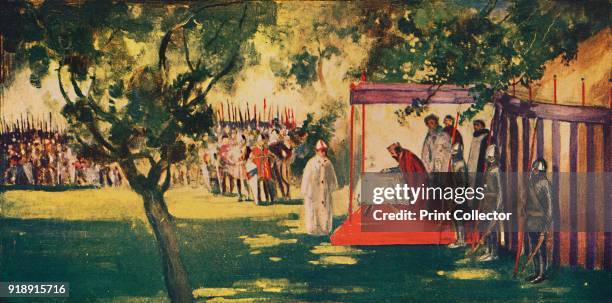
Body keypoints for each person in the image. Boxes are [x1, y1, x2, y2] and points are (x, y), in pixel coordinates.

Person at [301, 140, 338, 235]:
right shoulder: (311, 163)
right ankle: (312, 229)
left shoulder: (328, 163)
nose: (323, 153)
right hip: (313, 190)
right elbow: (306, 177)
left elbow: (331, 176)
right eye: (321, 151)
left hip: (324, 190)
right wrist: (305, 189)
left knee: (325, 208)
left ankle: (325, 228)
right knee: (313, 209)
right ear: (316, 151)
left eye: (324, 150)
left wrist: (332, 186)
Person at [525, 158, 552, 284]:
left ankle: (542, 274)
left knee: (540, 248)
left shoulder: (545, 184)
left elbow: (550, 207)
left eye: (536, 169)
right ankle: (536, 272)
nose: (534, 171)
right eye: (533, 168)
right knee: (533, 247)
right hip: (531, 220)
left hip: (540, 220)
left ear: (540, 171)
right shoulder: (530, 182)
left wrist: (545, 227)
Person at [477, 144, 503, 261]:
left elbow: (500, 191)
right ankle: (488, 250)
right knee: (485, 226)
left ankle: (494, 253)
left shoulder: (497, 170)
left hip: (493, 203)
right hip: (486, 202)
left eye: (492, 157)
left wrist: (498, 208)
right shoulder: (488, 169)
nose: (490, 159)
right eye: (489, 157)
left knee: (492, 228)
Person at [448, 142, 468, 248]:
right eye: (452, 150)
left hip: (460, 193)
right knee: (454, 216)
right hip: (454, 192)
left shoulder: (461, 163)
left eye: (455, 151)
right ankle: (458, 238)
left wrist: (459, 194)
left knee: (459, 217)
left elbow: (464, 182)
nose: (453, 153)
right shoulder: (453, 162)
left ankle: (461, 240)